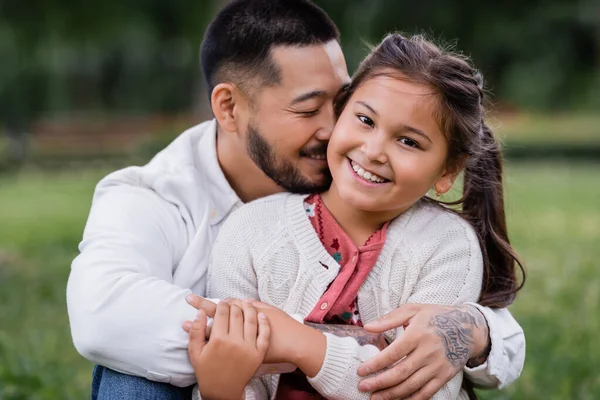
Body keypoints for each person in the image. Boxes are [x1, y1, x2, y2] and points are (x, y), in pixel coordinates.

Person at [66, 1, 525, 399]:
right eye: (308, 109)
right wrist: (286, 346)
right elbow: (104, 319)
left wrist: (472, 329)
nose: (334, 129)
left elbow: (482, 333)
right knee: (131, 372)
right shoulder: (150, 200)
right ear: (229, 108)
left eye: (342, 102)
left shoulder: (396, 208)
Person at [184, 32, 523, 400]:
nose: (374, 150)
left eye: (408, 141)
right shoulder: (251, 230)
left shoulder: (446, 245)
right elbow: (233, 366)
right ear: (339, 114)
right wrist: (221, 389)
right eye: (365, 119)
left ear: (447, 172)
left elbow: (420, 389)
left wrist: (300, 342)